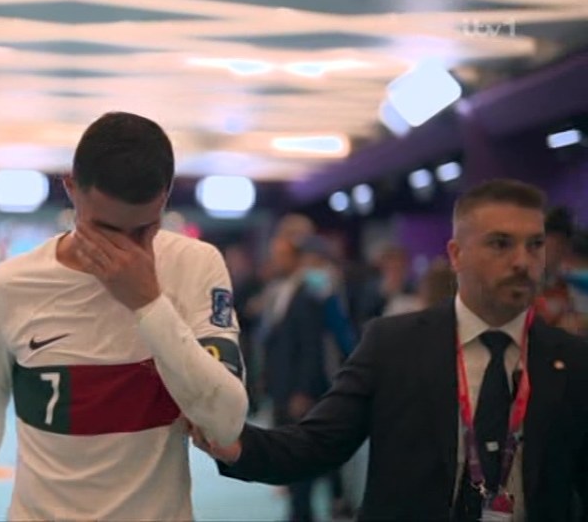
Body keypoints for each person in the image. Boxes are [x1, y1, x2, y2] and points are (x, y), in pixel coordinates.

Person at [192, 179, 588, 521]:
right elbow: (317, 444)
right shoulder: (394, 344)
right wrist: (237, 444)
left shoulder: (572, 360)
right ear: (456, 255)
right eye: (500, 244)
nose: (522, 261)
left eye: (534, 245)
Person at [0, 112, 248, 521]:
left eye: (142, 232)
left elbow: (225, 423)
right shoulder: (10, 286)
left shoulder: (195, 266)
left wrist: (149, 304)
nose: (124, 252)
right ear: (71, 189)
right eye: (104, 229)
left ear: (165, 198)